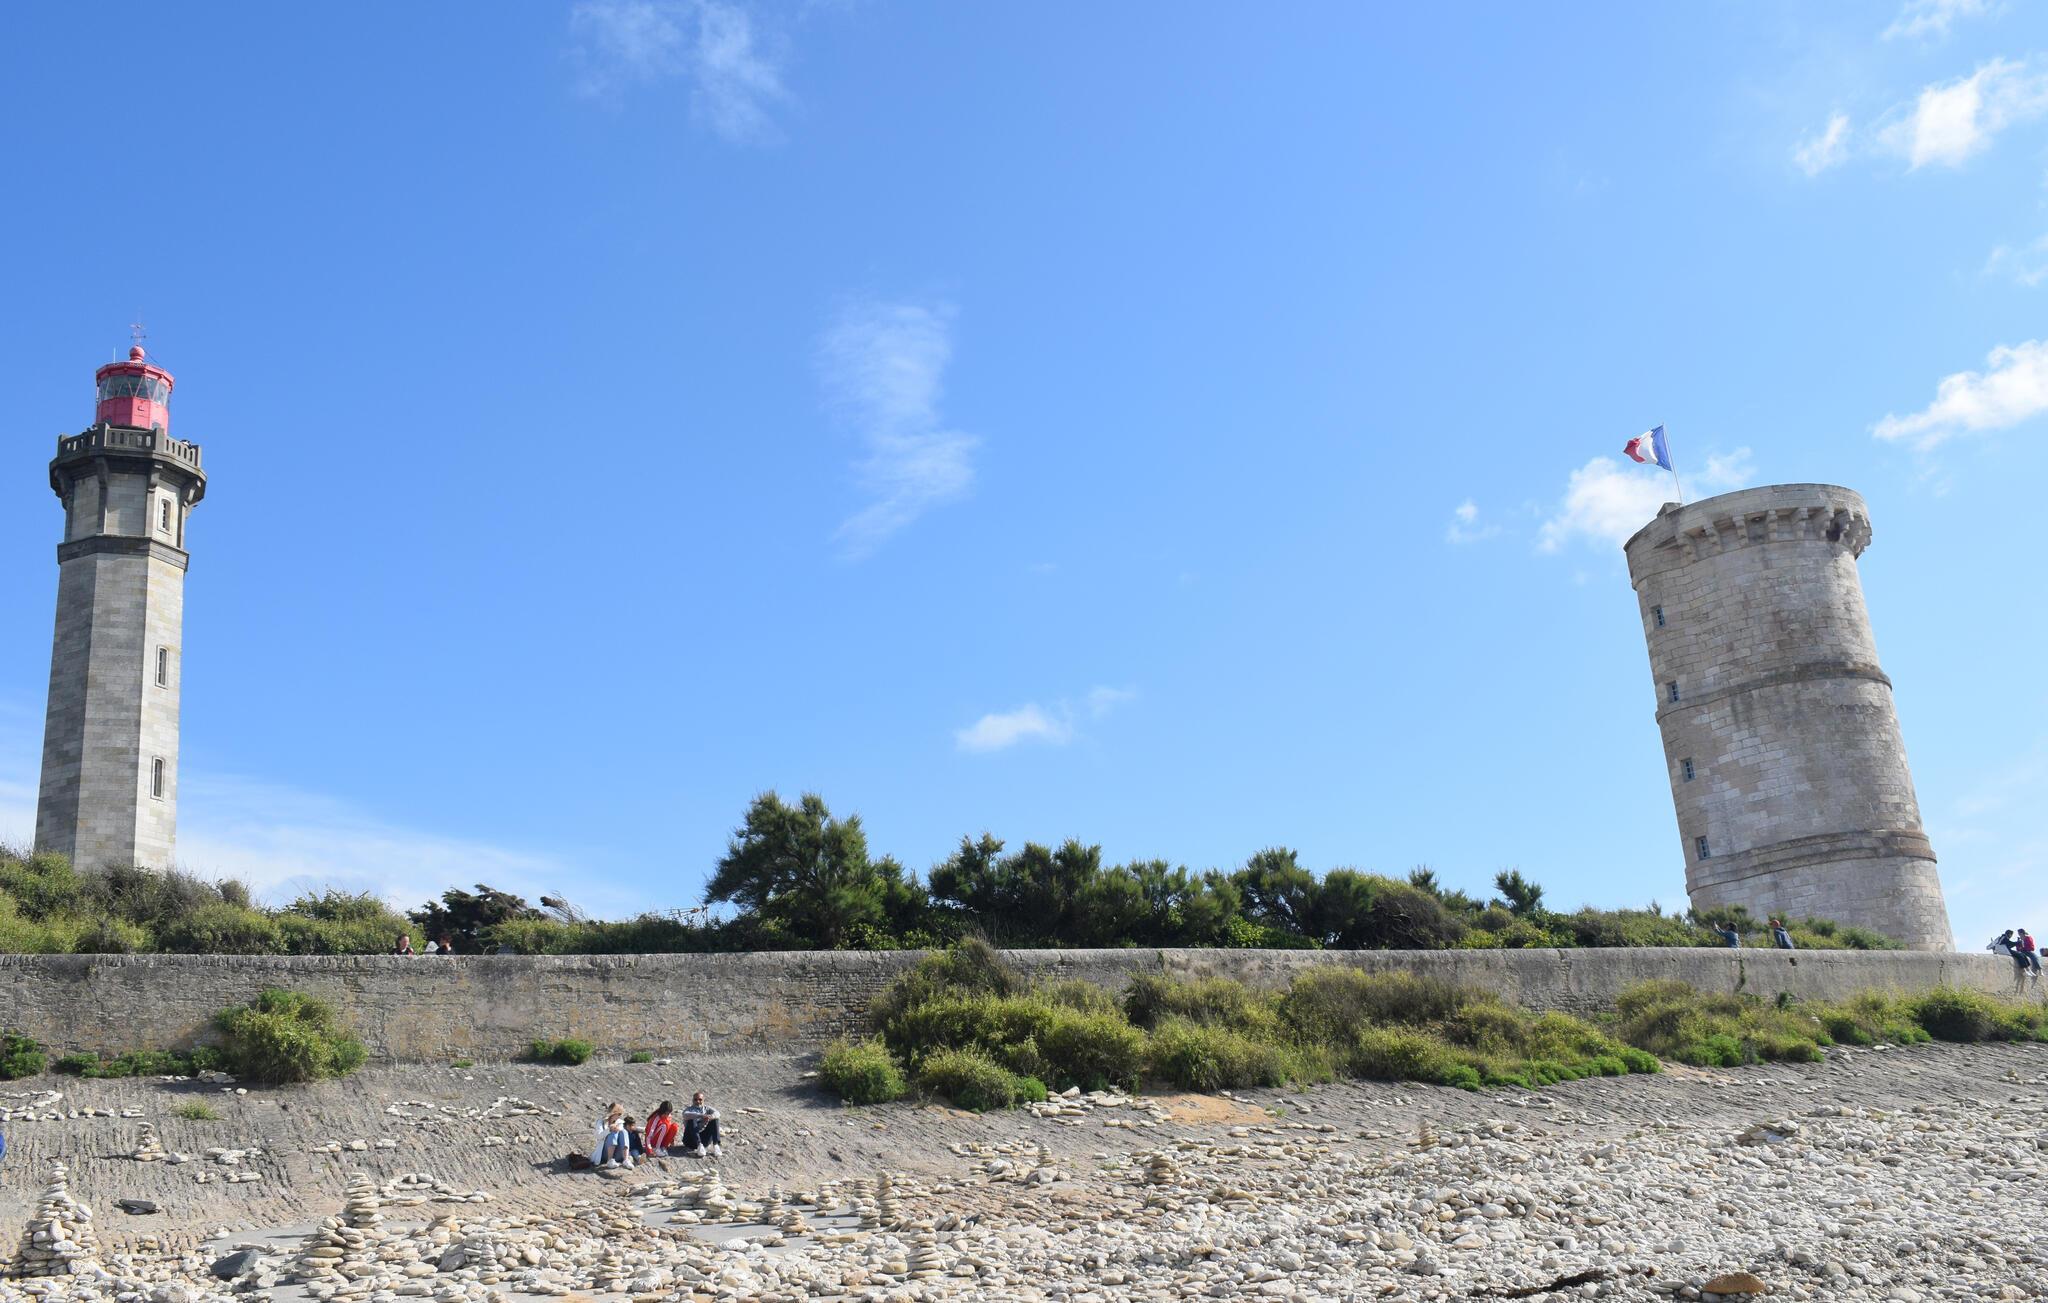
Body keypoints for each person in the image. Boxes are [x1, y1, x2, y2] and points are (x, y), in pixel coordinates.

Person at [680, 1092, 721, 1157]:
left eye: (700, 1099)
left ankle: (716, 1145)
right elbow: (685, 1115)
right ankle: (699, 1145)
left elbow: (718, 1113)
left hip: (704, 1140)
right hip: (690, 1140)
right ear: (693, 1100)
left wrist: (710, 1117)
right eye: (695, 1099)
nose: (698, 1101)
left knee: (715, 1120)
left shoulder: (707, 1109)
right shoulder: (689, 1109)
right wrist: (701, 1116)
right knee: (691, 1120)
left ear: (703, 1100)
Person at [591, 1103, 632, 1169]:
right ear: (614, 1113)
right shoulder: (601, 1122)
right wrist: (609, 1130)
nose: (620, 1116)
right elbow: (598, 1136)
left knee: (623, 1131)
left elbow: (621, 1135)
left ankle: (626, 1160)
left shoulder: (620, 1122)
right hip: (604, 1153)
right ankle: (609, 1160)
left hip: (617, 1153)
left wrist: (617, 1129)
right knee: (613, 1132)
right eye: (619, 1114)